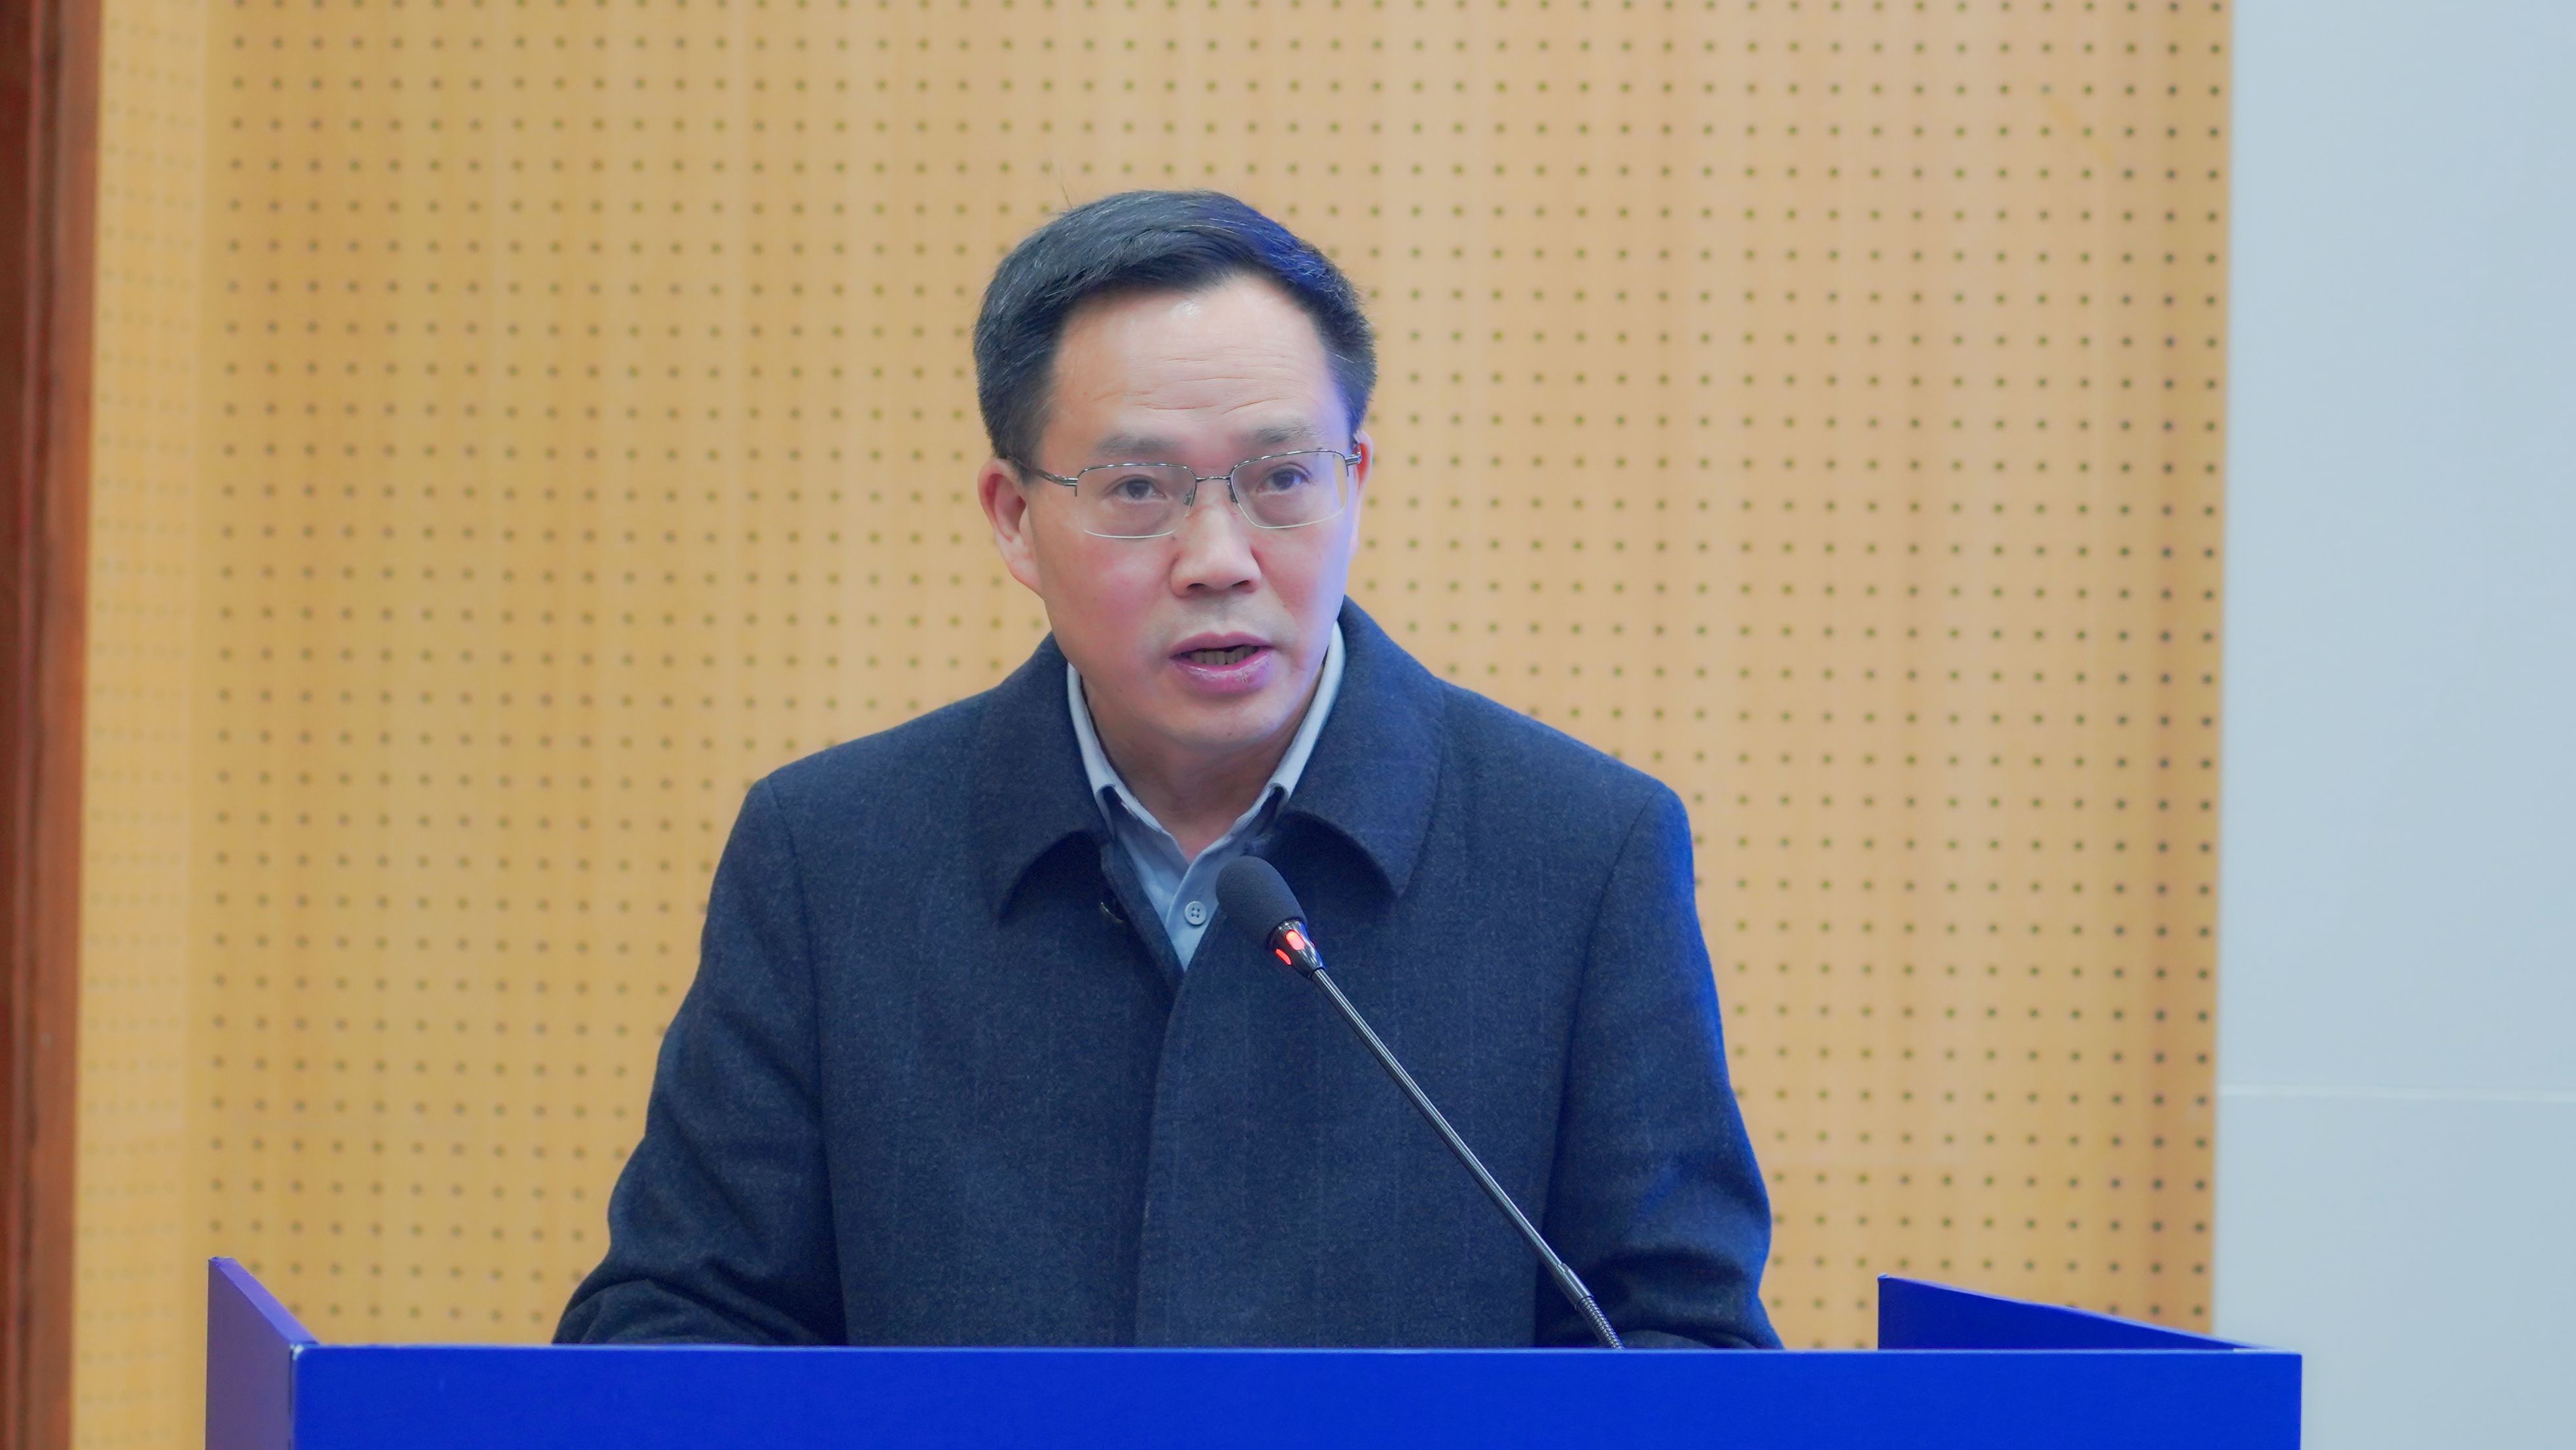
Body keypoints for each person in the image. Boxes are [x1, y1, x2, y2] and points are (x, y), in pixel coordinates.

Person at [556, 191, 1779, 1349]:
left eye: (1281, 479)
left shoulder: (1579, 853)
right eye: (1137, 489)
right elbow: (678, 1329)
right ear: (1013, 517)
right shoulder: (833, 859)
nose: (1218, 557)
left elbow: (1681, 1347)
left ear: (1355, 483)